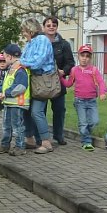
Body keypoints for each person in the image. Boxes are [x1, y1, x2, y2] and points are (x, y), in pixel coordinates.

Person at [19, 17, 56, 154]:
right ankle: (30, 139)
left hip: (42, 80)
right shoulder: (30, 42)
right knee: (26, 110)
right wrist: (22, 61)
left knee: (37, 111)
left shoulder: (42, 40)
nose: (23, 33)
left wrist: (21, 62)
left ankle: (46, 142)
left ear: (30, 29)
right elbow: (24, 58)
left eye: (24, 30)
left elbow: (37, 61)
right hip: (32, 80)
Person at [60, 44, 107, 151]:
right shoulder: (74, 70)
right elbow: (68, 84)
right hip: (79, 101)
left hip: (92, 101)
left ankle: (84, 132)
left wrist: (102, 92)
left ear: (90, 58)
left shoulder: (94, 70)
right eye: (82, 55)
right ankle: (86, 142)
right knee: (83, 122)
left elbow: (101, 82)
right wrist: (61, 77)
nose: (84, 58)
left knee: (94, 122)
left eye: (87, 56)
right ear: (78, 56)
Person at [42, 16, 75, 146]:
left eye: (54, 25)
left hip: (58, 82)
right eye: (48, 25)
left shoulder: (64, 44)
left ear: (56, 27)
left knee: (59, 109)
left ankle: (58, 135)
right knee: (40, 111)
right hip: (42, 82)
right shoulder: (39, 42)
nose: (51, 27)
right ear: (44, 27)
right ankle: (42, 136)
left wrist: (63, 71)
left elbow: (70, 62)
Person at [0, 44, 30, 156]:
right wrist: (0, 92)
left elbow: (21, 87)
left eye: (4, 55)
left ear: (9, 56)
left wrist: (6, 93)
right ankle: (5, 145)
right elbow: (3, 83)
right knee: (6, 126)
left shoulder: (20, 70)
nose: (3, 58)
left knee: (17, 126)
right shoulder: (10, 70)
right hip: (9, 103)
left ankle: (20, 147)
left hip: (17, 104)